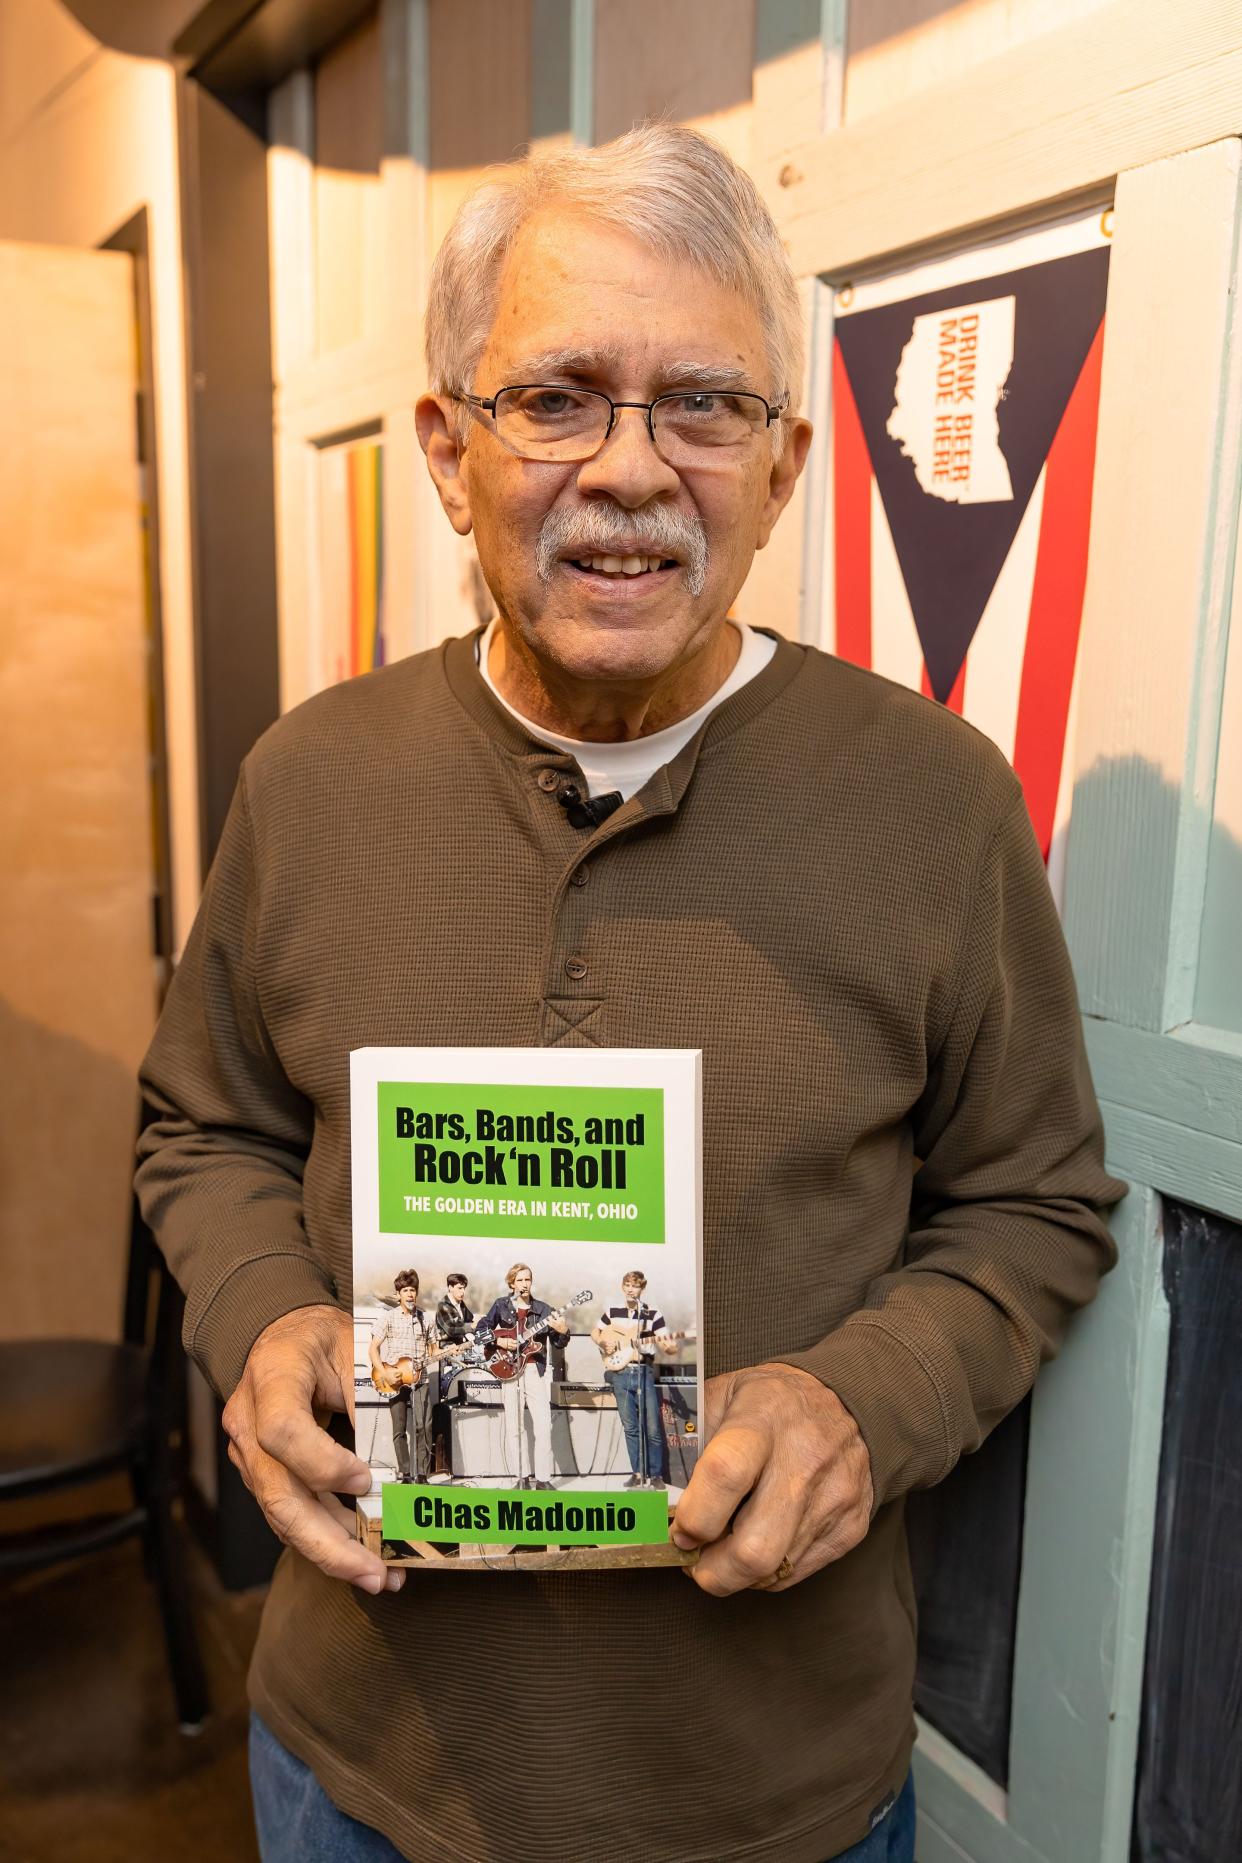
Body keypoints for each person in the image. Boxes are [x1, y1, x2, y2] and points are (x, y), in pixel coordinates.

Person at [135, 123, 1124, 1863]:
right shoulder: (310, 781)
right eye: (558, 397)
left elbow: (1031, 1202)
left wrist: (861, 1399)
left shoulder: (932, 799)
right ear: (448, 449)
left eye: (702, 404)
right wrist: (261, 1314)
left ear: (784, 461)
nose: (631, 469)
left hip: (773, 1791)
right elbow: (206, 1126)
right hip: (360, 1762)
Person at [480, 1263, 569, 1488]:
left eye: (527, 1279)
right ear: (512, 1284)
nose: (524, 1284)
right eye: (519, 1280)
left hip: (534, 1369)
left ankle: (543, 1479)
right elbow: (480, 1330)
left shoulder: (544, 1310)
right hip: (509, 1370)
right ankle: (521, 1478)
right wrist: (498, 1340)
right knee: (514, 1427)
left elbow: (559, 1342)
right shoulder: (501, 1305)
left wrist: (563, 1332)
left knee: (542, 1425)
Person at [593, 1271, 678, 1488]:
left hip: (643, 1372)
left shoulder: (652, 1314)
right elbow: (596, 1332)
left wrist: (669, 1347)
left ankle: (656, 1475)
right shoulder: (613, 1312)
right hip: (620, 1374)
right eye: (627, 1285)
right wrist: (603, 1343)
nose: (631, 1289)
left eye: (635, 1286)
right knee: (630, 1427)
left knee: (652, 1428)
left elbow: (666, 1342)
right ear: (623, 1287)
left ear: (642, 1289)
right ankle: (638, 1473)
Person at [367, 1270, 435, 1485]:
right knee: (399, 1429)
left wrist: (442, 1354)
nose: (409, 1294)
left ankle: (422, 1474)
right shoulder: (388, 1317)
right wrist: (385, 1372)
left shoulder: (427, 1320)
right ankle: (405, 1474)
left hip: (420, 1380)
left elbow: (434, 1351)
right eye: (405, 1290)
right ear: (398, 1295)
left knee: (423, 1426)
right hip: (394, 1380)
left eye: (412, 1290)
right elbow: (373, 1349)